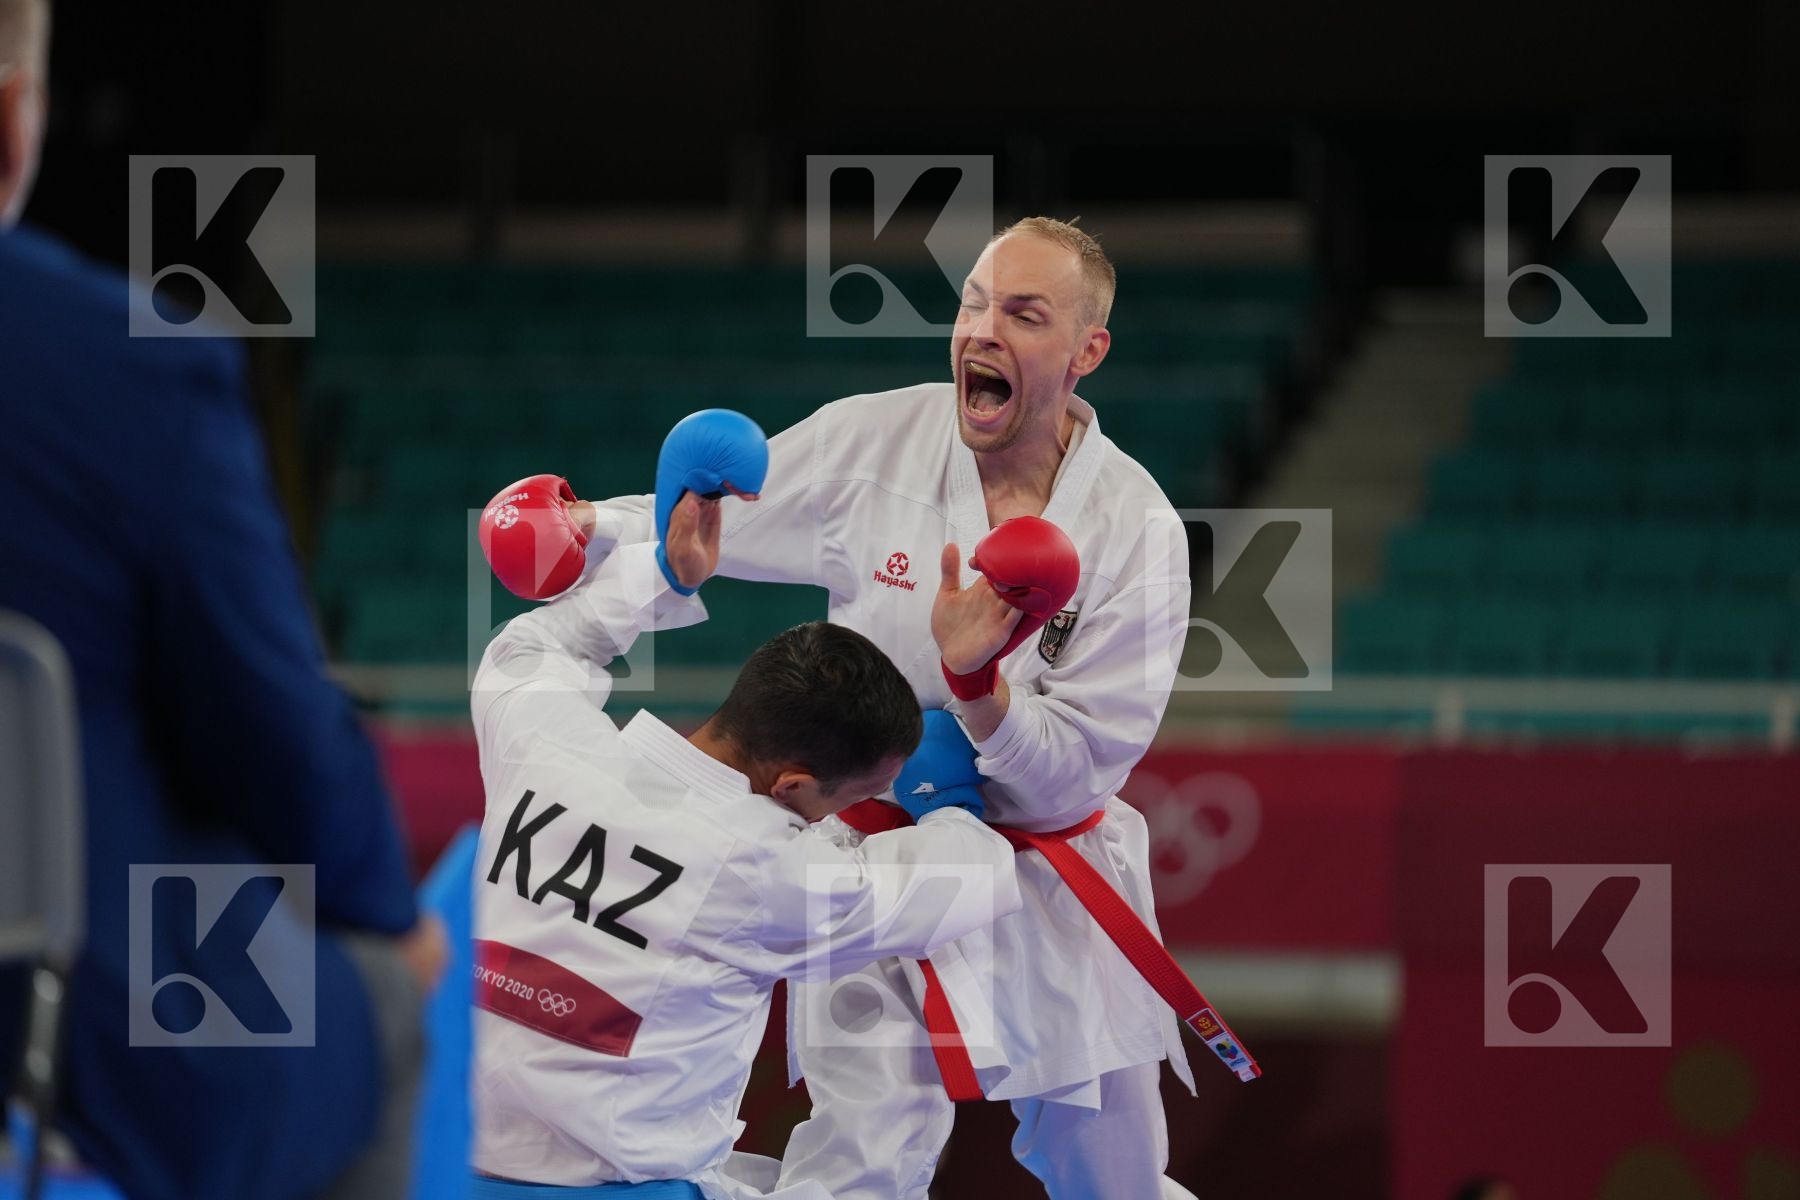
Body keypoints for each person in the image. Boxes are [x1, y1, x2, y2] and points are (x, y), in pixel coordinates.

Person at [487, 218, 1203, 1199]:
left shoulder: (1139, 532)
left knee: (1104, 1162)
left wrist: (979, 696)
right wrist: (589, 530)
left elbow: (1083, 764)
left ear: (1088, 351)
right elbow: (721, 513)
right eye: (974, 304)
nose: (983, 332)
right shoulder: (880, 439)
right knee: (865, 1141)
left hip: (1044, 865)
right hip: (860, 850)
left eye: (1024, 315)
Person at [0, 1, 444, 1196]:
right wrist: (379, 911)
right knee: (378, 1009)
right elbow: (277, 735)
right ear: (10, 120)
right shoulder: (130, 366)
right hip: (75, 1017)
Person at [467, 416, 1023, 1199]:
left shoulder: (543, 742)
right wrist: (950, 801)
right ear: (794, 785)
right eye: (854, 800)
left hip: (436, 1168)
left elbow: (528, 651)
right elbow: (976, 880)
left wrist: (664, 571)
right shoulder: (769, 872)